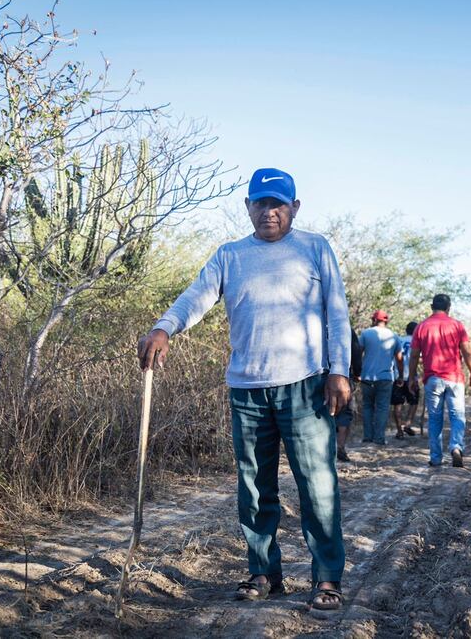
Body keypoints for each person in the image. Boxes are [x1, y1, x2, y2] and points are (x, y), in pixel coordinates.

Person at [136, 167, 349, 612]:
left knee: (318, 486)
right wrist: (163, 328)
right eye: (260, 203)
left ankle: (327, 577)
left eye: (278, 204)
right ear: (247, 206)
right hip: (248, 390)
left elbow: (336, 313)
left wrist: (338, 370)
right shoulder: (230, 255)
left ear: (295, 207)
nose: (268, 212)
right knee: (254, 488)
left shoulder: (314, 248)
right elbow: (196, 296)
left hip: (305, 386)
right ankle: (264, 572)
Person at [406, 294, 471, 467]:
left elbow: (414, 355)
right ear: (449, 307)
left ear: (432, 306)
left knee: (435, 418)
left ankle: (436, 458)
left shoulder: (421, 327)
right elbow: (467, 351)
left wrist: (412, 377)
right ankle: (456, 447)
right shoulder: (456, 325)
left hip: (433, 379)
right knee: (457, 415)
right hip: (454, 379)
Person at [357, 310, 403, 445]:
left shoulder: (365, 333)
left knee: (367, 406)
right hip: (385, 377)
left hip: (367, 376)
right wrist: (400, 375)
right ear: (386, 321)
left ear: (374, 319)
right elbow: (399, 359)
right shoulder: (394, 336)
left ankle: (367, 437)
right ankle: (379, 438)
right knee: (382, 408)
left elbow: (358, 353)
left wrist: (357, 372)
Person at [335, 326, 362, 462]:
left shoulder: (316, 324)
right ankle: (340, 447)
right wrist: (357, 372)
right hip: (344, 376)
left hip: (317, 378)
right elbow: (356, 352)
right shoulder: (346, 329)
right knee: (345, 413)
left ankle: (324, 449)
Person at [390, 321, 419, 438]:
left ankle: (399, 431)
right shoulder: (417, 341)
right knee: (414, 401)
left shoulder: (398, 340)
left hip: (397, 376)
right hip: (411, 376)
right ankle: (407, 423)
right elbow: (418, 358)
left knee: (397, 403)